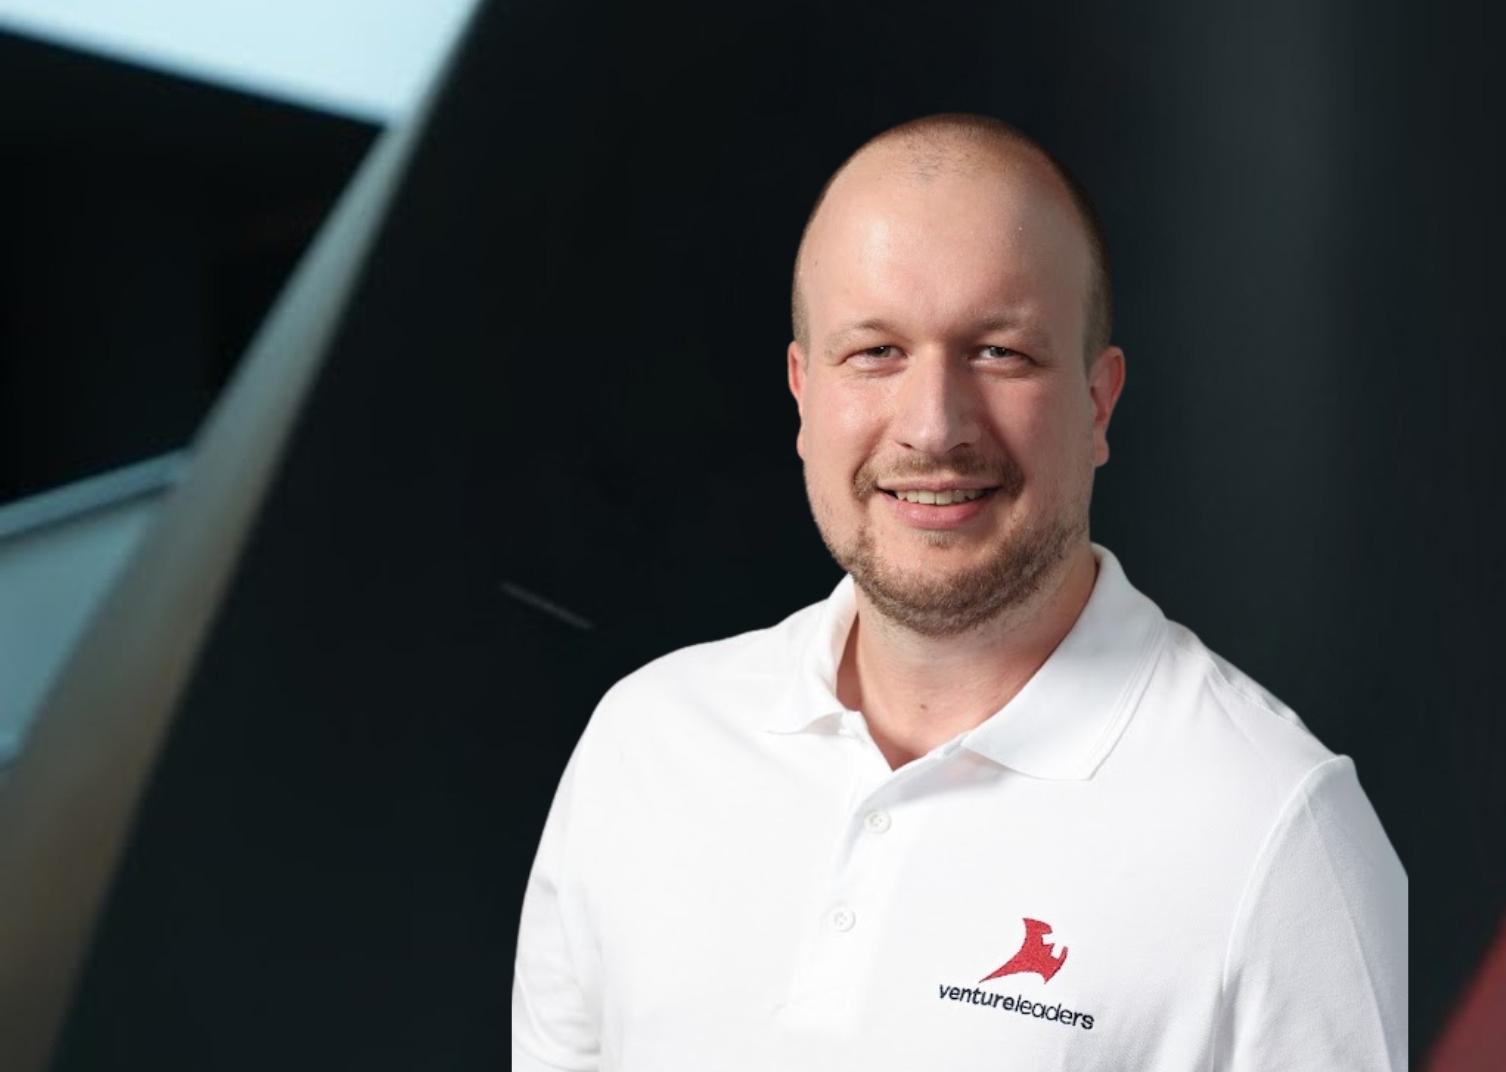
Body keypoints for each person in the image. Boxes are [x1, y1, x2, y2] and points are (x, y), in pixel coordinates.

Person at [511, 112, 1407, 1071]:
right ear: (803, 392)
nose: (934, 427)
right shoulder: (644, 747)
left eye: (999, 352)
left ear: (1098, 402)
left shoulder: (1275, 829)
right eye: (875, 352)